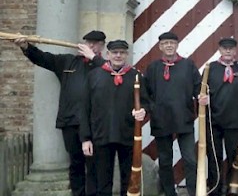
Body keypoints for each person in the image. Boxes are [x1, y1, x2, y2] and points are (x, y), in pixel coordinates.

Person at [14, 30, 106, 196]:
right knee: (76, 163)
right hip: (70, 121)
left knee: (94, 165)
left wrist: (94, 58)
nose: (90, 46)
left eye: (95, 43)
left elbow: (113, 76)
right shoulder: (67, 61)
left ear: (102, 46)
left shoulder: (104, 66)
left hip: (94, 124)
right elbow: (43, 58)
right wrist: (26, 47)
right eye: (88, 42)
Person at [79, 40, 148, 196]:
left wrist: (143, 110)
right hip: (101, 135)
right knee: (102, 182)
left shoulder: (136, 76)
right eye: (115, 52)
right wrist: (85, 138)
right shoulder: (94, 75)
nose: (118, 55)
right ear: (107, 54)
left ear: (127, 55)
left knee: (128, 179)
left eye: (122, 52)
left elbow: (146, 102)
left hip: (128, 135)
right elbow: (84, 108)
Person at [197, 37, 238, 196]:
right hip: (213, 121)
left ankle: (232, 188)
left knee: (233, 156)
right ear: (220, 50)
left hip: (236, 121)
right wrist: (202, 97)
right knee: (214, 157)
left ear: (235, 50)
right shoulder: (210, 68)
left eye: (231, 48)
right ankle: (215, 187)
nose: (228, 51)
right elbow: (201, 90)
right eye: (225, 48)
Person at [144, 32, 201, 196]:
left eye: (172, 43)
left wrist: (201, 96)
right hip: (161, 120)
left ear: (177, 45)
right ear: (160, 46)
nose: (169, 45)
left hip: (184, 118)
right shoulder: (153, 67)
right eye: (165, 43)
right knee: (165, 160)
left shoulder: (189, 65)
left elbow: (198, 88)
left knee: (190, 159)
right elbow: (145, 94)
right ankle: (169, 192)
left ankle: (194, 191)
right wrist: (151, 108)